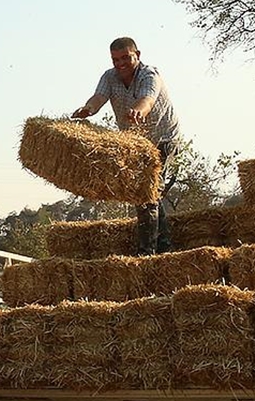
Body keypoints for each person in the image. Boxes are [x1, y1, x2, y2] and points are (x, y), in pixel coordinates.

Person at [72, 36, 180, 255]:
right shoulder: (109, 77)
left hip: (163, 140)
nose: (120, 63)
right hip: (136, 145)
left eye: (125, 58)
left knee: (147, 193)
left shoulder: (150, 75)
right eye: (115, 59)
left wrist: (138, 112)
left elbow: (147, 100)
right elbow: (99, 97)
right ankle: (164, 247)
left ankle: (147, 252)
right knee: (147, 195)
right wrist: (88, 109)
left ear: (137, 55)